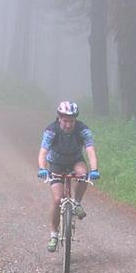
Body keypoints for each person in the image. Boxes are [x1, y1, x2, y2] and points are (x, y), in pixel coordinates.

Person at [38, 101, 99, 253]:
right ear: (59, 118)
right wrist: (42, 168)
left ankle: (76, 203)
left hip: (75, 160)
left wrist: (94, 169)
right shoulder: (51, 130)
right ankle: (54, 235)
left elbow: (90, 150)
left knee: (83, 174)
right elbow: (43, 152)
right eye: (65, 121)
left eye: (71, 121)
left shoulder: (82, 129)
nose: (68, 125)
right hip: (56, 163)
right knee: (57, 199)